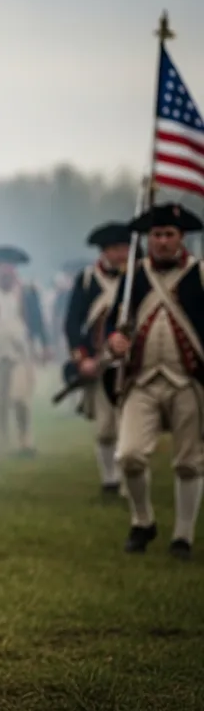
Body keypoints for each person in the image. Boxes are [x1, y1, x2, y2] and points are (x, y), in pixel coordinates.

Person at [107, 203, 204, 559]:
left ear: (181, 238)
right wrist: (114, 342)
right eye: (157, 234)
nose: (162, 241)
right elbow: (115, 327)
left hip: (187, 380)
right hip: (142, 380)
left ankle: (183, 536)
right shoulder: (134, 275)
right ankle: (142, 521)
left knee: (189, 462)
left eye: (169, 235)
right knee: (129, 455)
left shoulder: (199, 274)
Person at [64, 222, 131, 494]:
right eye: (115, 249)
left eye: (124, 247)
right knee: (105, 429)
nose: (121, 254)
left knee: (129, 425)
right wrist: (82, 359)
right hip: (99, 362)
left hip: (132, 362)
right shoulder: (88, 279)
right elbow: (72, 323)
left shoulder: (136, 278)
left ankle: (129, 482)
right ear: (104, 251)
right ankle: (110, 480)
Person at [0, 246, 49, 456]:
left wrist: (44, 345)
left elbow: (37, 321)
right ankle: (2, 441)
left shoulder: (28, 291)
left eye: (8, 265)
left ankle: (25, 440)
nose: (5, 269)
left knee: (21, 398)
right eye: (0, 265)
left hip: (21, 351)